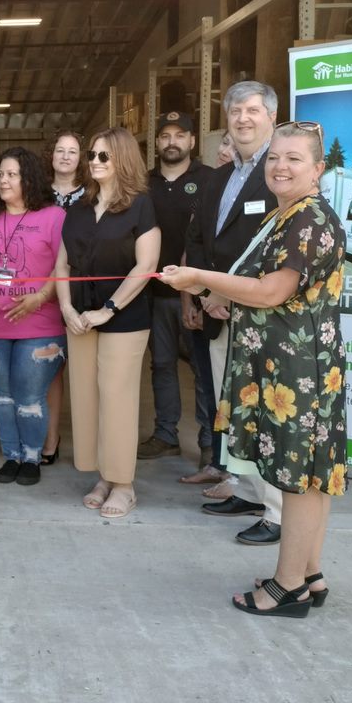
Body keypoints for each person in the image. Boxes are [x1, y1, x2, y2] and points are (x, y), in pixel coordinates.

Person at [161, 121, 347, 616]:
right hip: (293, 364)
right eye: (274, 158)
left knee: (297, 478)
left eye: (294, 159)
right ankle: (308, 575)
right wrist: (211, 290)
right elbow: (253, 282)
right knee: (309, 477)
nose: (280, 167)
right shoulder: (287, 215)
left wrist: (199, 277)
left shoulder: (308, 219)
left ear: (318, 169)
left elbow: (271, 292)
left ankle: (286, 587)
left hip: (296, 370)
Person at [186, 81, 285, 545]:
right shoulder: (219, 177)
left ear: (271, 115)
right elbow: (202, 239)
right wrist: (206, 291)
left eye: (252, 110)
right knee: (236, 410)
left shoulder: (280, 171)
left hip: (264, 317)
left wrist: (229, 291)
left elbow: (277, 247)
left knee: (267, 412)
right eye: (235, 111)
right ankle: (247, 489)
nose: (242, 119)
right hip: (219, 312)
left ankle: (278, 512)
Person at [56, 127, 159, 519]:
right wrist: (66, 307)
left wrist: (108, 309)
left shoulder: (140, 206)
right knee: (85, 397)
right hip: (79, 316)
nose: (94, 162)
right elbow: (62, 263)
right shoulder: (79, 208)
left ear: (123, 159)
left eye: (103, 156)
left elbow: (146, 265)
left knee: (117, 398)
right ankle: (102, 476)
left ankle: (124, 484)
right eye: (92, 155)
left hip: (124, 318)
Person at [0, 148, 67, 486]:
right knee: (3, 396)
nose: (4, 180)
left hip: (39, 325)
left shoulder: (54, 217)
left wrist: (39, 297)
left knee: (30, 397)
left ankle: (32, 457)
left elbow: (62, 268)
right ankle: (12, 456)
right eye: (1, 175)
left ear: (29, 179)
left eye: (12, 174)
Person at [137, 112, 214, 468]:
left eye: (179, 135)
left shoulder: (210, 180)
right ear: (156, 143)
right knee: (162, 365)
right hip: (154, 293)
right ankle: (166, 435)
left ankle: (209, 443)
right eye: (165, 135)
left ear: (192, 141)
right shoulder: (142, 183)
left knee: (202, 369)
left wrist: (204, 292)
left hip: (197, 293)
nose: (172, 141)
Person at [43, 130, 85, 464]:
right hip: (42, 289)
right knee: (50, 368)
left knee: (84, 370)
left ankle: (87, 440)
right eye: (60, 150)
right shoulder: (38, 194)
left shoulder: (93, 194)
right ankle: (51, 437)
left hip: (82, 288)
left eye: (73, 151)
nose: (66, 156)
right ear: (52, 155)